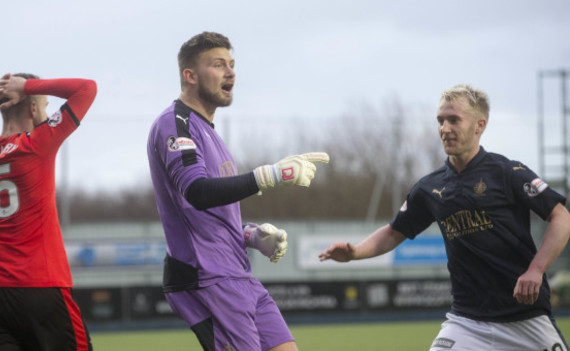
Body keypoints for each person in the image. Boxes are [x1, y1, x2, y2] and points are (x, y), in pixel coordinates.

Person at [319, 84, 570, 351]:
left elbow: (561, 216)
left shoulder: (508, 172)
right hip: (467, 323)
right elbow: (394, 231)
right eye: (440, 120)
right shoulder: (429, 187)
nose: (445, 128)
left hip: (526, 318)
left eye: (454, 120)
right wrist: (355, 252)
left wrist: (536, 269)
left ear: (479, 125)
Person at [147, 31, 329, 351]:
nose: (230, 72)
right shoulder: (175, 124)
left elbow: (210, 214)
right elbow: (197, 192)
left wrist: (252, 236)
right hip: (208, 278)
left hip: (237, 276)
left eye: (232, 64)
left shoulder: (209, 132)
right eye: (218, 65)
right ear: (190, 75)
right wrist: (271, 174)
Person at [0, 73, 97, 350]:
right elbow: (86, 88)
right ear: (34, 108)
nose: (47, 113)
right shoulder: (37, 143)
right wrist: (26, 87)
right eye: (45, 105)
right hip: (40, 289)